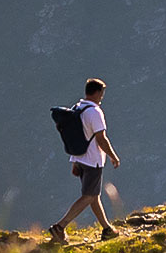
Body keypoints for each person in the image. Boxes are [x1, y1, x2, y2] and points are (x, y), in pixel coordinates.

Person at [49, 78, 119, 241]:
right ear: (97, 92)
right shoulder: (94, 112)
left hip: (80, 158)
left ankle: (107, 229)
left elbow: (74, 136)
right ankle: (60, 227)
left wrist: (75, 161)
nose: (102, 97)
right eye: (102, 93)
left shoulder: (77, 108)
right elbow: (101, 138)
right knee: (88, 195)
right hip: (93, 160)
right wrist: (113, 156)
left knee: (94, 195)